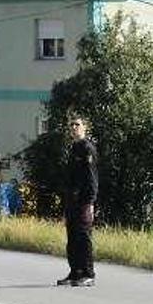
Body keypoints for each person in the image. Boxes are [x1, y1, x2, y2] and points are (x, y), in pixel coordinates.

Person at [57, 117, 98, 287]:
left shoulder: (87, 148)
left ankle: (88, 273)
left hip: (83, 202)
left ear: (85, 128)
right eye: (72, 125)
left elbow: (91, 177)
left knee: (83, 238)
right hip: (72, 201)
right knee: (72, 238)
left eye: (77, 125)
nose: (74, 127)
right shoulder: (73, 148)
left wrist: (90, 201)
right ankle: (75, 272)